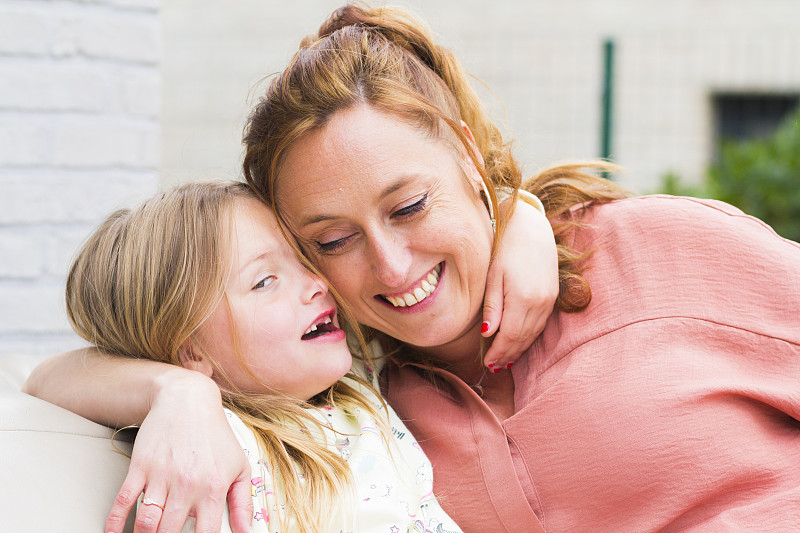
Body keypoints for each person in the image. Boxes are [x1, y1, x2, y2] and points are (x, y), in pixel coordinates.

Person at [28, 2, 800, 532]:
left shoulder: (658, 253)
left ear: (467, 153)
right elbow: (48, 375)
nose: (392, 266)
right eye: (331, 242)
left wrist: (518, 209)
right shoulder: (368, 392)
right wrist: (177, 389)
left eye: (408, 207)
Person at [59, 179, 468, 532]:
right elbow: (47, 381)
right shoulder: (217, 447)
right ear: (191, 350)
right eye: (265, 280)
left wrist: (522, 221)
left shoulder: (352, 378)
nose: (317, 283)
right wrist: (179, 392)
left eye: (305, 259)